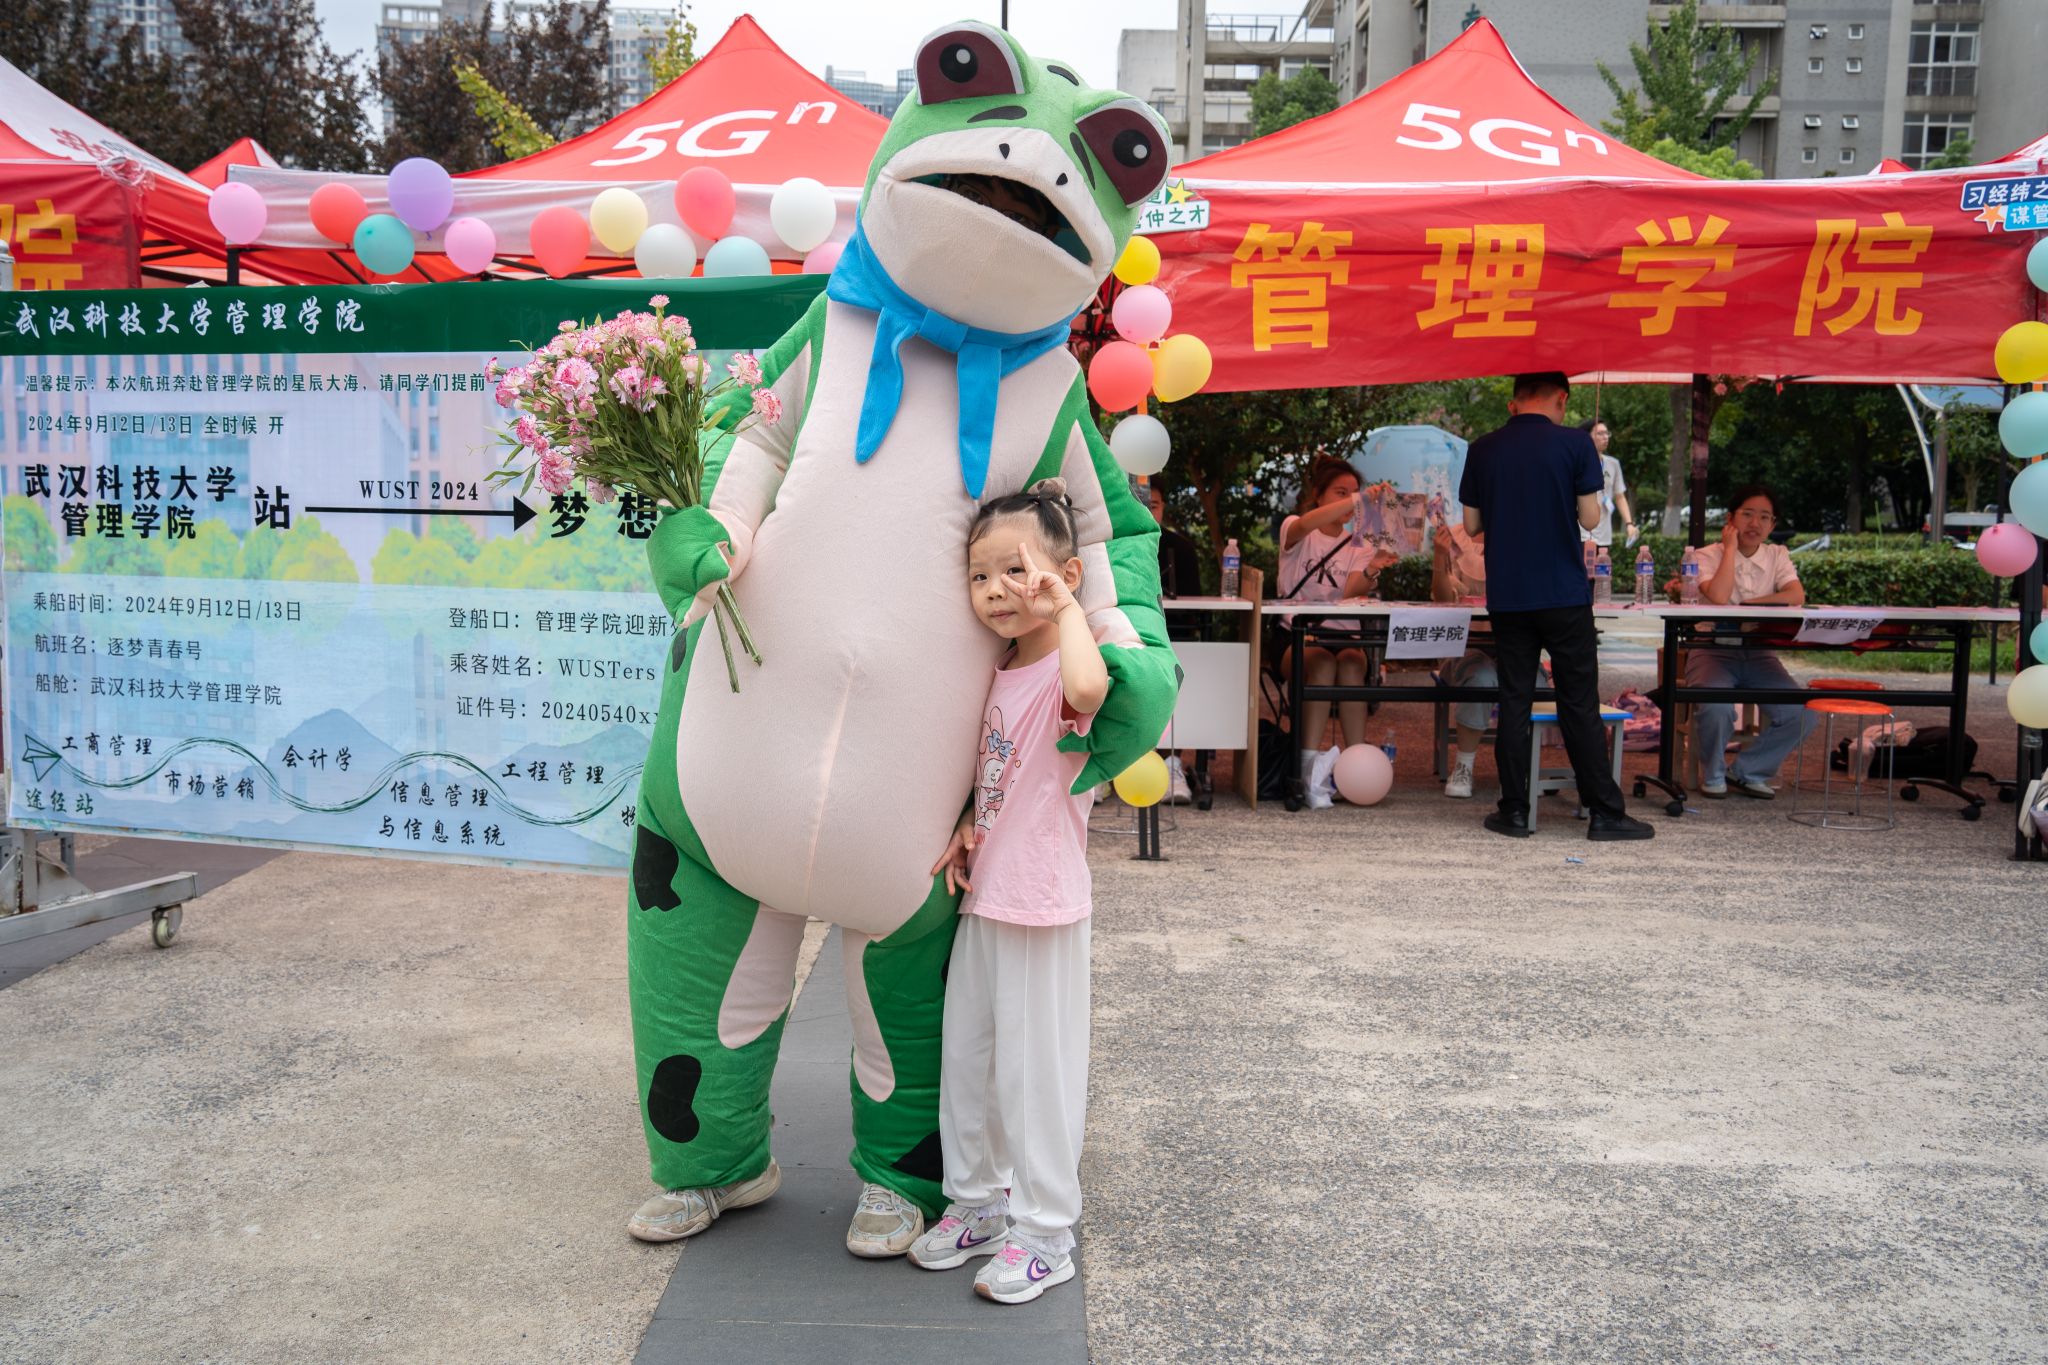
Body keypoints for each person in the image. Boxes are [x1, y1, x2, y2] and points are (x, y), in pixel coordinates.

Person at [918, 481, 1103, 1305]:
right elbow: (1003, 772)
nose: (996, 590)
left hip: (1042, 899)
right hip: (988, 892)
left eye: (1016, 570)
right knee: (970, 1061)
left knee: (1037, 1077)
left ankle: (1046, 1232)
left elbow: (1091, 694)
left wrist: (1065, 607)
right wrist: (969, 820)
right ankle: (979, 1204)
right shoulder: (999, 669)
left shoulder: (1068, 661)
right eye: (980, 574)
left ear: (1066, 574)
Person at [1458, 373, 1654, 841]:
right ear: (1562, 399)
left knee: (1514, 699)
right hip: (1563, 594)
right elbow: (1590, 517)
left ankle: (1514, 811)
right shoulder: (1576, 444)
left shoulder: (1482, 448)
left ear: (1514, 402)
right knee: (1578, 702)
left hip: (1508, 595)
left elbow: (1472, 524)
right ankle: (1604, 813)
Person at [1679, 485, 1814, 799]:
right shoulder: (1704, 555)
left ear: (1773, 524)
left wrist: (1749, 607)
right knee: (1717, 708)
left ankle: (1746, 771)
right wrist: (1729, 550)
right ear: (1730, 519)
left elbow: (1796, 595)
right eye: (1747, 514)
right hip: (1712, 649)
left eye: (1764, 517)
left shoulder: (1777, 554)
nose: (1755, 523)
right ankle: (1713, 775)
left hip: (1758, 652)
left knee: (1802, 714)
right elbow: (1719, 595)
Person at [1277, 457, 1396, 807]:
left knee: (1353, 665)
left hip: (1343, 637)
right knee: (1322, 664)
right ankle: (1306, 769)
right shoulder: (1295, 528)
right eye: (1341, 493)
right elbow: (1305, 523)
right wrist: (1359, 501)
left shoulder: (1360, 543)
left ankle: (1356, 766)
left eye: (1355, 493)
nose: (1351, 501)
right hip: (1295, 636)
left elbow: (1350, 592)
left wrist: (1373, 568)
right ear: (1318, 495)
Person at [1427, 507, 1498, 800]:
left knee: (1535, 681)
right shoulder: (1453, 537)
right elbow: (1443, 600)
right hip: (1464, 648)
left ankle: (1521, 765)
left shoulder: (1525, 533)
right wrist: (1440, 556)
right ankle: (1463, 766)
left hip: (1514, 647)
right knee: (1481, 677)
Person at [1148, 483, 1204, 803]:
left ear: (1164, 507)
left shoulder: (1180, 548)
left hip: (1174, 636)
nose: (1148, 510)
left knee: (1183, 668)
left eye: (1154, 504)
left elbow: (1196, 607)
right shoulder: (1110, 543)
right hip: (1122, 636)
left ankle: (1172, 763)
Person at [1577, 419, 1638, 550]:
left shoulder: (1613, 464)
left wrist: (1629, 524)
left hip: (1604, 535)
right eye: (1600, 433)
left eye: (1607, 433)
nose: (1605, 437)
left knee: (1603, 563)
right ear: (1587, 437)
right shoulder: (1577, 462)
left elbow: (1620, 497)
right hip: (1580, 534)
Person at [1149, 483, 1205, 601]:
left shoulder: (1182, 548)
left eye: (1153, 507)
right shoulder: (1116, 544)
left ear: (1162, 507)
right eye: (1141, 506)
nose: (1147, 513)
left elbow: (1193, 602)